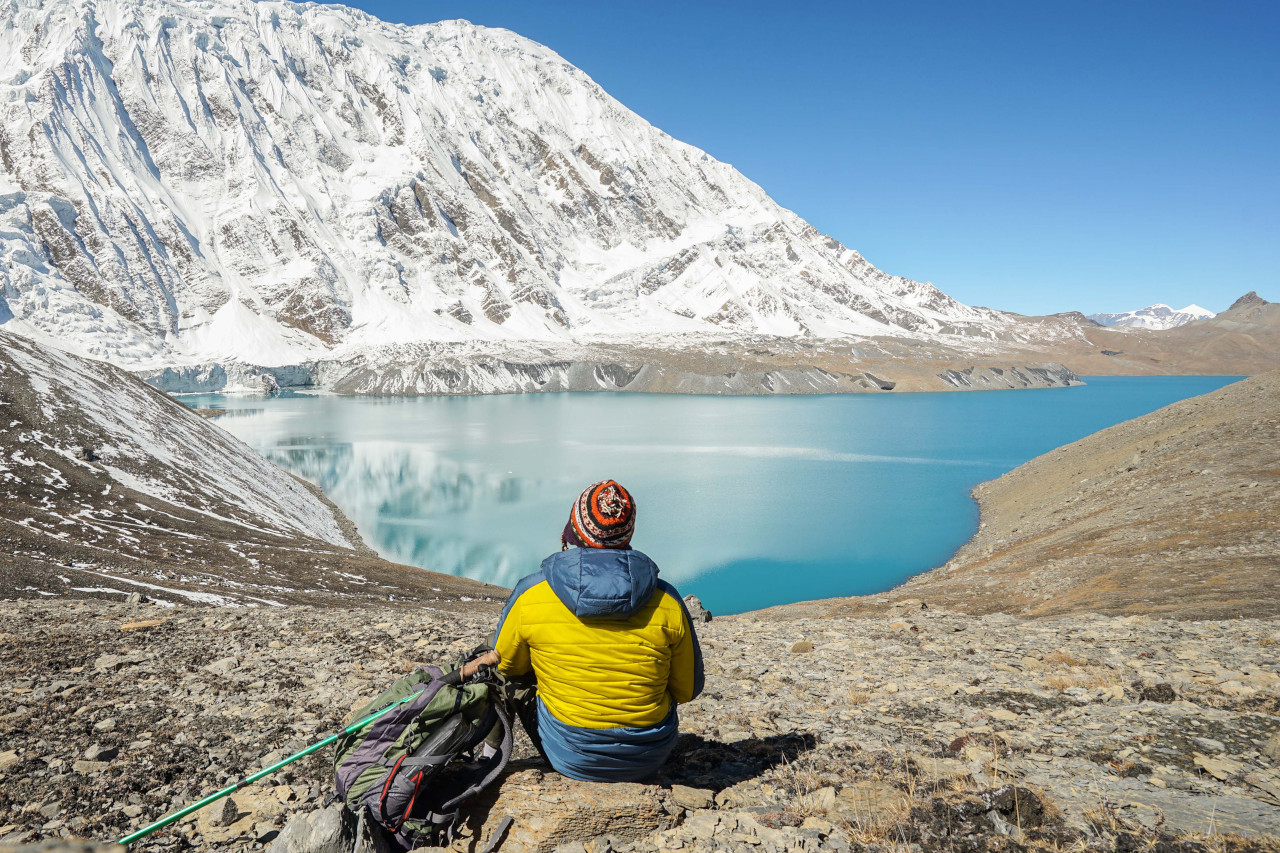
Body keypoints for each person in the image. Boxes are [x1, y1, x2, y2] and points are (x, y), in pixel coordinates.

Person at [482, 480, 704, 782]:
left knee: (496, 668)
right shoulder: (667, 601)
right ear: (629, 532)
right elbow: (687, 690)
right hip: (649, 756)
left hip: (569, 756)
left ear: (575, 526)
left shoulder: (531, 595)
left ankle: (487, 762)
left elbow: (508, 667)